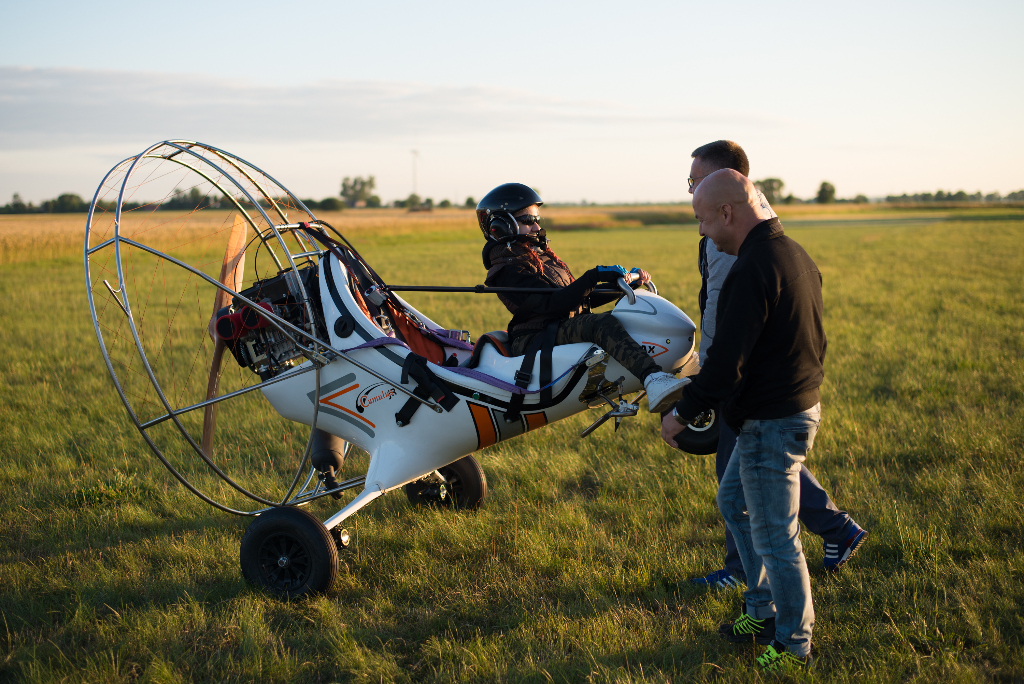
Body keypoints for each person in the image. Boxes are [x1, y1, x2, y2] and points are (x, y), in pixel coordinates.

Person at [662, 169, 830, 670]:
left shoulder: (753, 268)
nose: (701, 231)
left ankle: (794, 645)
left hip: (770, 422)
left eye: (702, 220)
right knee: (733, 501)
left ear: (727, 212)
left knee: (776, 536)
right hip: (788, 410)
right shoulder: (793, 254)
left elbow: (725, 365)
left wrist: (681, 414)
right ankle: (760, 610)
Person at [685, 141, 867, 590]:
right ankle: (835, 530)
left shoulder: (734, 237)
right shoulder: (763, 226)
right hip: (761, 381)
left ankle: (748, 576)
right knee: (763, 466)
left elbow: (728, 314)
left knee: (749, 474)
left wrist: (709, 375)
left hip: (745, 379)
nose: (691, 190)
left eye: (696, 180)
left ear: (726, 190)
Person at [477, 183, 692, 412]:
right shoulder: (506, 270)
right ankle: (653, 379)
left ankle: (689, 368)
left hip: (557, 326)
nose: (537, 226)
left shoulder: (537, 256)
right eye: (528, 220)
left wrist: (621, 286)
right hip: (535, 337)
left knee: (627, 317)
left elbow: (578, 299)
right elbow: (552, 306)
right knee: (601, 323)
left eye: (537, 219)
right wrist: (593, 276)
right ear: (502, 226)